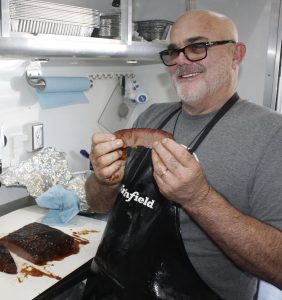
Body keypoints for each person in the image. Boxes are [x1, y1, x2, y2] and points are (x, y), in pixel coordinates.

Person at [84, 9, 282, 300]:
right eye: (173, 50)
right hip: (108, 287)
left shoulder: (272, 134)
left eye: (197, 47)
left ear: (236, 54)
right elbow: (98, 205)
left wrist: (198, 198)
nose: (180, 60)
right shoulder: (151, 115)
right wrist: (104, 180)